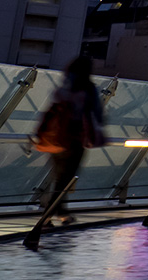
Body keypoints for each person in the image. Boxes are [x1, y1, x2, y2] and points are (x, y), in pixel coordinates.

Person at [35, 56, 106, 223]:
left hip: (54, 138)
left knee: (58, 177)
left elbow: (50, 111)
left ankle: (58, 210)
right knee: (66, 178)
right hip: (74, 139)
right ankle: (51, 212)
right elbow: (97, 113)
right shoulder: (88, 89)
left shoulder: (63, 87)